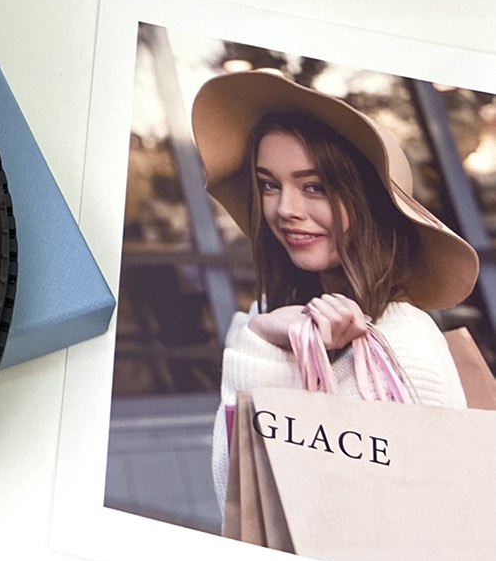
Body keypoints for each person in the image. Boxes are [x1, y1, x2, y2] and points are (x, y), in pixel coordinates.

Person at [191, 69, 479, 507]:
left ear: (370, 202)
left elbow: (396, 517)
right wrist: (264, 343)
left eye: (315, 187)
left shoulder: (402, 345)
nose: (285, 209)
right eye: (269, 185)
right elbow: (237, 504)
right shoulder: (268, 320)